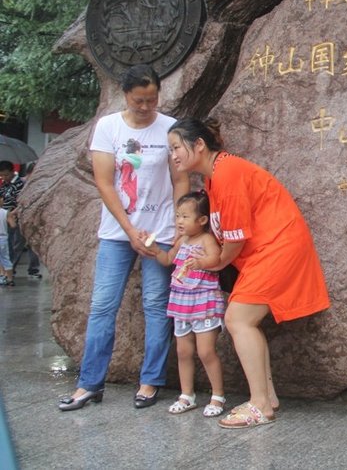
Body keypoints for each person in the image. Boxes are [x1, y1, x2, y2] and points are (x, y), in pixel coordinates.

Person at [166, 117, 330, 428]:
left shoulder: (227, 173)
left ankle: (260, 406)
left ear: (198, 145)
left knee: (238, 319)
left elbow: (236, 237)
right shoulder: (215, 177)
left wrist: (217, 262)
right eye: (170, 150)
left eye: (176, 147)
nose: (172, 156)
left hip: (276, 247)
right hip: (267, 250)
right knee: (243, 320)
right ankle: (266, 398)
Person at [58, 64, 189, 412]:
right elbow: (105, 183)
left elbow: (180, 180)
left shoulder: (170, 127)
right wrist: (130, 231)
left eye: (151, 99)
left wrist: (179, 227)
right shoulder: (108, 127)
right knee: (103, 305)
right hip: (118, 233)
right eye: (138, 100)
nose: (145, 106)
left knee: (156, 306)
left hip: (160, 230)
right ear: (125, 95)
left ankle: (151, 380)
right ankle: (89, 383)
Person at [143, 191, 226, 417]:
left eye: (185, 217)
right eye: (178, 216)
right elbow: (167, 259)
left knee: (206, 351)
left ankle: (218, 396)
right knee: (183, 351)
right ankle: (186, 395)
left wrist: (201, 262)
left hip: (203, 301)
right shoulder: (181, 241)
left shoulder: (207, 239)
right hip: (181, 302)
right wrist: (154, 250)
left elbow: (217, 258)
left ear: (202, 220)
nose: (179, 221)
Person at [0, 161, 26, 278]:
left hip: (15, 217)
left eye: (6, 175)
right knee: (7, 245)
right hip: (4, 218)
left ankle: (10, 270)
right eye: (1, 175)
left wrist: (13, 213)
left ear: (12, 172)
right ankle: (7, 270)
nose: (4, 177)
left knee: (14, 245)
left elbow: (22, 202)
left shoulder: (19, 184)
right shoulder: (4, 185)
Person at [0, 206, 13, 287]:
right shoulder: (6, 212)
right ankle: (10, 279)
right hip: (3, 238)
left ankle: (1, 276)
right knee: (5, 258)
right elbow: (13, 225)